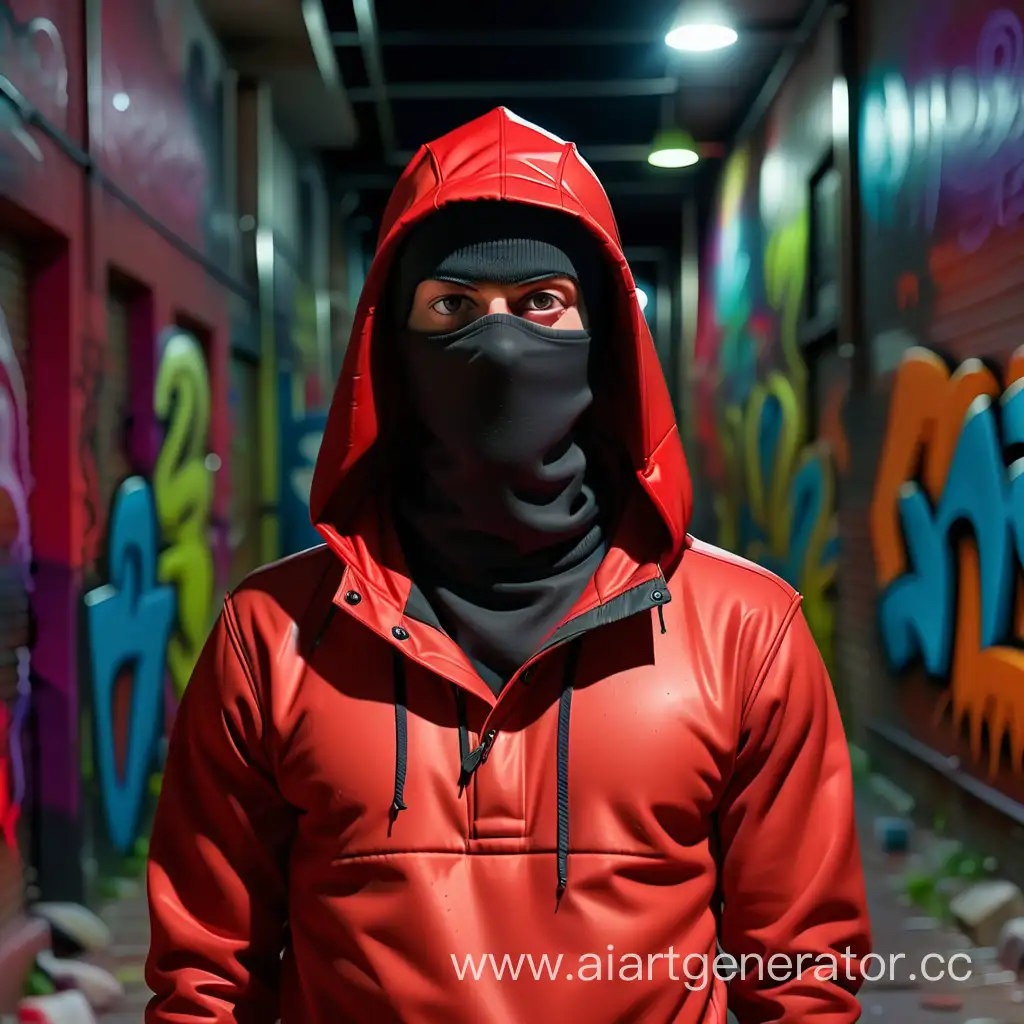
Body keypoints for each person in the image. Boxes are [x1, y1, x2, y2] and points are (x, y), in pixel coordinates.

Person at [145, 107, 871, 1023]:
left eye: (541, 303)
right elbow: (207, 977)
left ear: (601, 340)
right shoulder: (276, 633)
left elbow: (802, 976)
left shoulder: (745, 631)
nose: (498, 344)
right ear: (395, 351)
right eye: (451, 306)